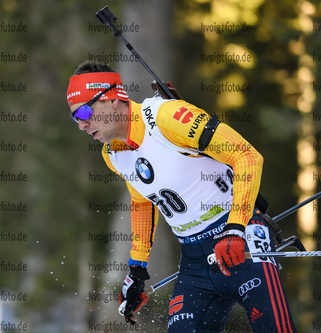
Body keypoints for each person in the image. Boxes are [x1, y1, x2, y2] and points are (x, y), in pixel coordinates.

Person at [66, 60, 296, 333]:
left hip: (242, 239)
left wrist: (235, 229)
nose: (81, 124)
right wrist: (137, 270)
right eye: (75, 117)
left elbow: (246, 155)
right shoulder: (113, 154)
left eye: (83, 112)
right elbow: (142, 200)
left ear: (111, 98)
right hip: (195, 260)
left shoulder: (166, 117)